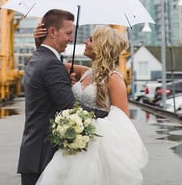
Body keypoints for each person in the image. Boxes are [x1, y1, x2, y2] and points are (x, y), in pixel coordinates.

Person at [36, 24, 148, 185]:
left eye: (91, 39)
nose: (86, 42)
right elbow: (49, 62)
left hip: (96, 148)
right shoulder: (85, 71)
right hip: (73, 144)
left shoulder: (114, 78)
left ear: (102, 45)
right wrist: (40, 42)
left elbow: (123, 123)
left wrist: (86, 124)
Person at [17, 9, 108, 185]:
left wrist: (66, 83)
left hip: (32, 153)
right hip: (44, 156)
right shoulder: (51, 64)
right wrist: (110, 116)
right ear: (52, 32)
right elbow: (70, 108)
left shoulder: (37, 58)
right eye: (67, 33)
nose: (71, 39)